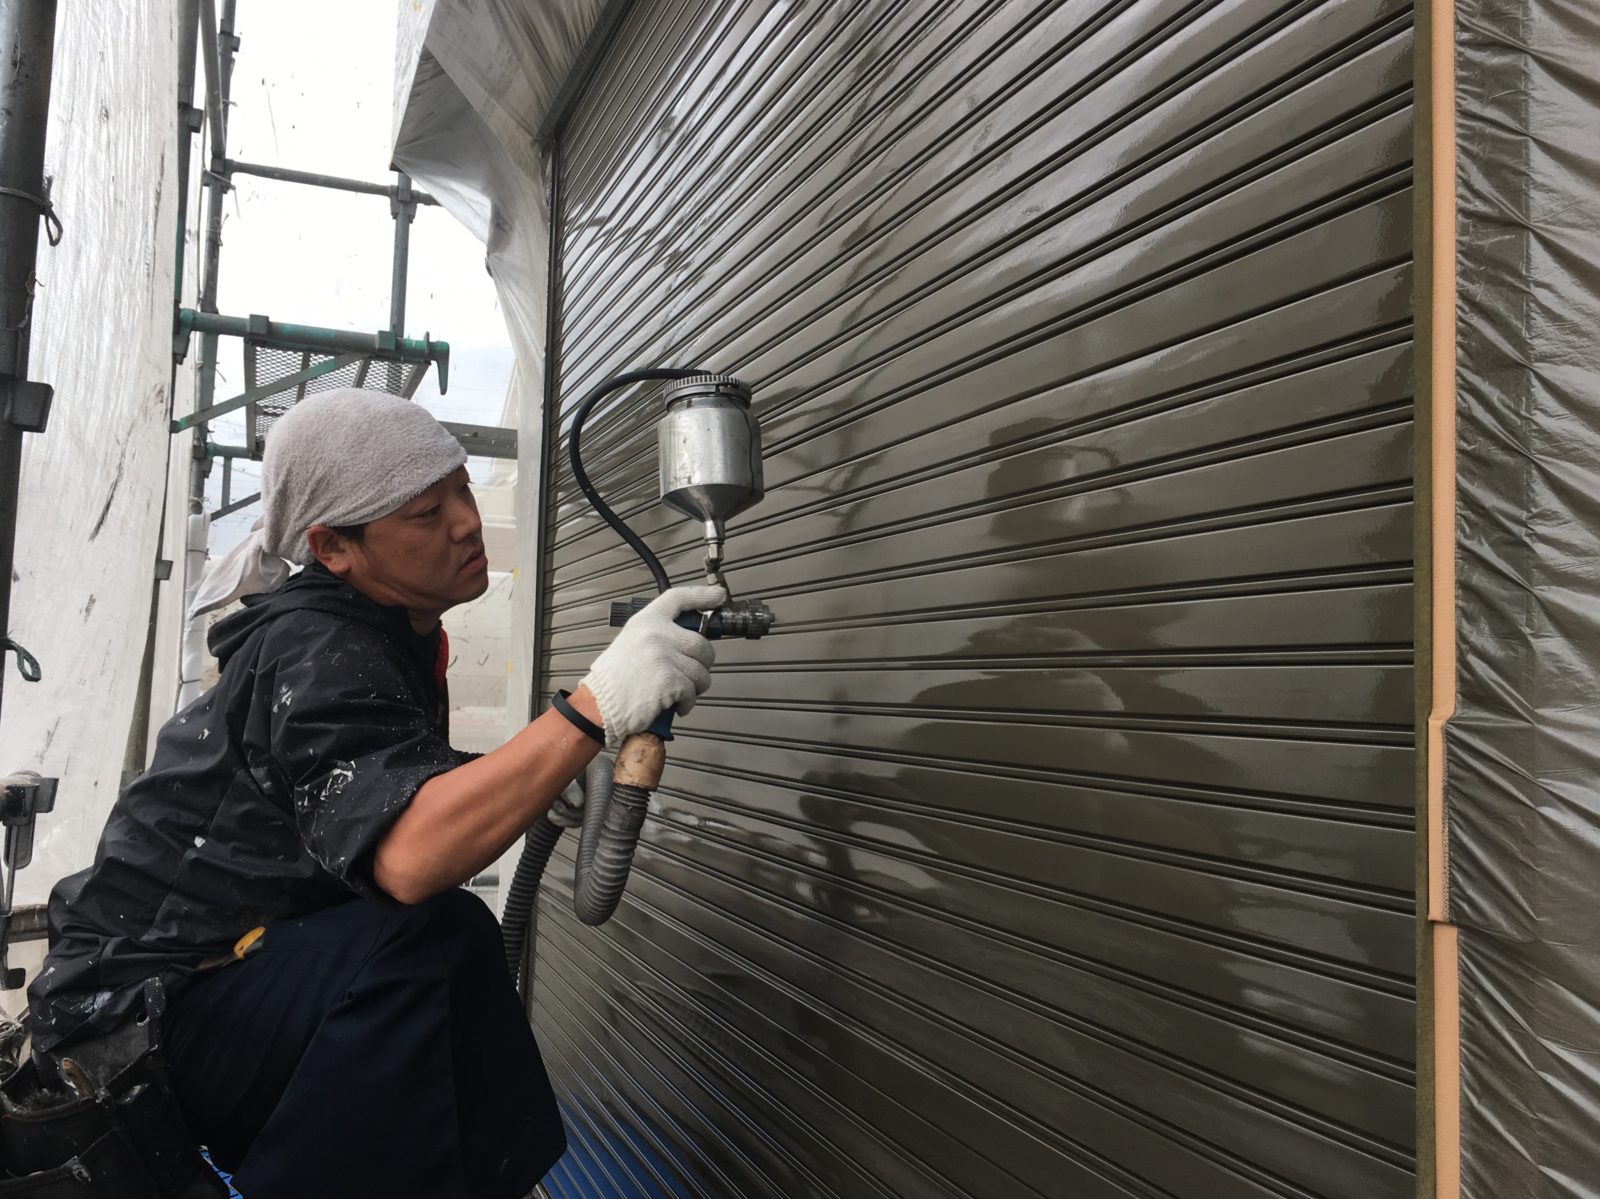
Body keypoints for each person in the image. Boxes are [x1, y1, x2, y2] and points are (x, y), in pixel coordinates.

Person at [25, 388, 722, 1198]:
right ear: (335, 548)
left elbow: (370, 777)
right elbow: (412, 857)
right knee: (432, 942)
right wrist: (593, 709)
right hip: (130, 1026)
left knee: (441, 975)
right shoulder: (319, 642)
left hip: (217, 989)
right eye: (426, 513)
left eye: (462, 488)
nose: (465, 520)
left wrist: (528, 777)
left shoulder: (386, 634)